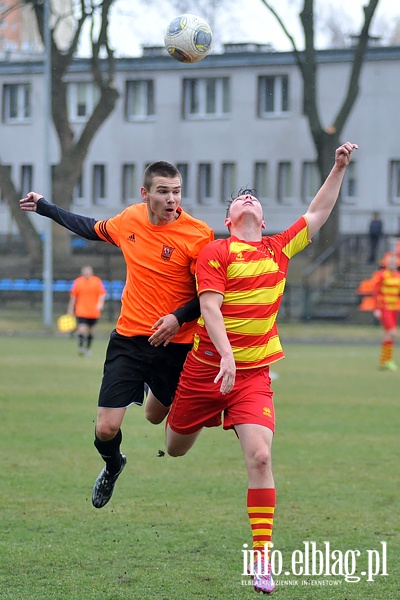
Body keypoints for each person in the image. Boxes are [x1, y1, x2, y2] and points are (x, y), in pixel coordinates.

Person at [165, 142, 358, 595]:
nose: (248, 196)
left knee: (262, 457)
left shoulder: (278, 248)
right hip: (206, 370)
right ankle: (163, 397)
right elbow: (209, 308)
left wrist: (337, 168)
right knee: (173, 447)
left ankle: (262, 559)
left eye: (255, 197)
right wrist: (226, 356)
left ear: (264, 220)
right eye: (240, 197)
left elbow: (317, 213)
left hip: (251, 377)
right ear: (229, 220)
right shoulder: (215, 251)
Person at [20, 161, 213, 508]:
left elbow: (209, 297)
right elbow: (89, 227)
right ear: (145, 193)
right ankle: (113, 464)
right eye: (163, 191)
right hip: (129, 339)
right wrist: (46, 207)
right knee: (105, 430)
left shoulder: (199, 235)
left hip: (176, 344)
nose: (172, 199)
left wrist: (177, 318)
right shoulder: (129, 220)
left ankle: (143, 388)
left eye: (177, 191)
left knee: (155, 416)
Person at [67, 265, 106, 356]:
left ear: (91, 272)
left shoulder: (96, 281)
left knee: (91, 331)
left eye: (88, 271)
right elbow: (73, 297)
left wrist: (100, 304)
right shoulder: (78, 282)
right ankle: (80, 347)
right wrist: (70, 309)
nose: (87, 273)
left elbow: (102, 294)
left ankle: (88, 348)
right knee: (82, 329)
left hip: (93, 312)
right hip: (81, 310)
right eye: (85, 271)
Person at [372, 252, 400, 371]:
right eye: (390, 263)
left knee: (388, 335)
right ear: (386, 264)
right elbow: (376, 292)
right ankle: (387, 360)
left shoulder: (398, 276)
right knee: (392, 332)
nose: (392, 265)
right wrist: (377, 308)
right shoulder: (381, 275)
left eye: (394, 263)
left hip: (394, 308)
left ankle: (385, 361)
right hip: (385, 308)